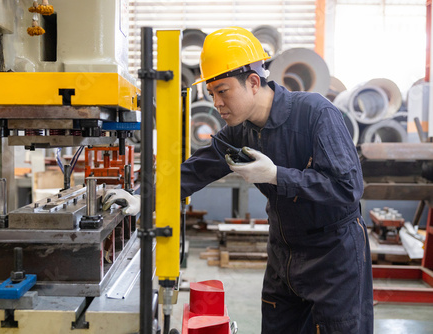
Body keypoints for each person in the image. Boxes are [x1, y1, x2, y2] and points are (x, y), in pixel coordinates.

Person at [103, 26, 373, 333]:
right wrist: (143, 198)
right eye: (211, 93)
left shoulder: (316, 114)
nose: (217, 103)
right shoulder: (240, 132)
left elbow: (346, 189)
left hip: (333, 256)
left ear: (254, 82)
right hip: (283, 252)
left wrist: (276, 175)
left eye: (223, 91)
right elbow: (195, 170)